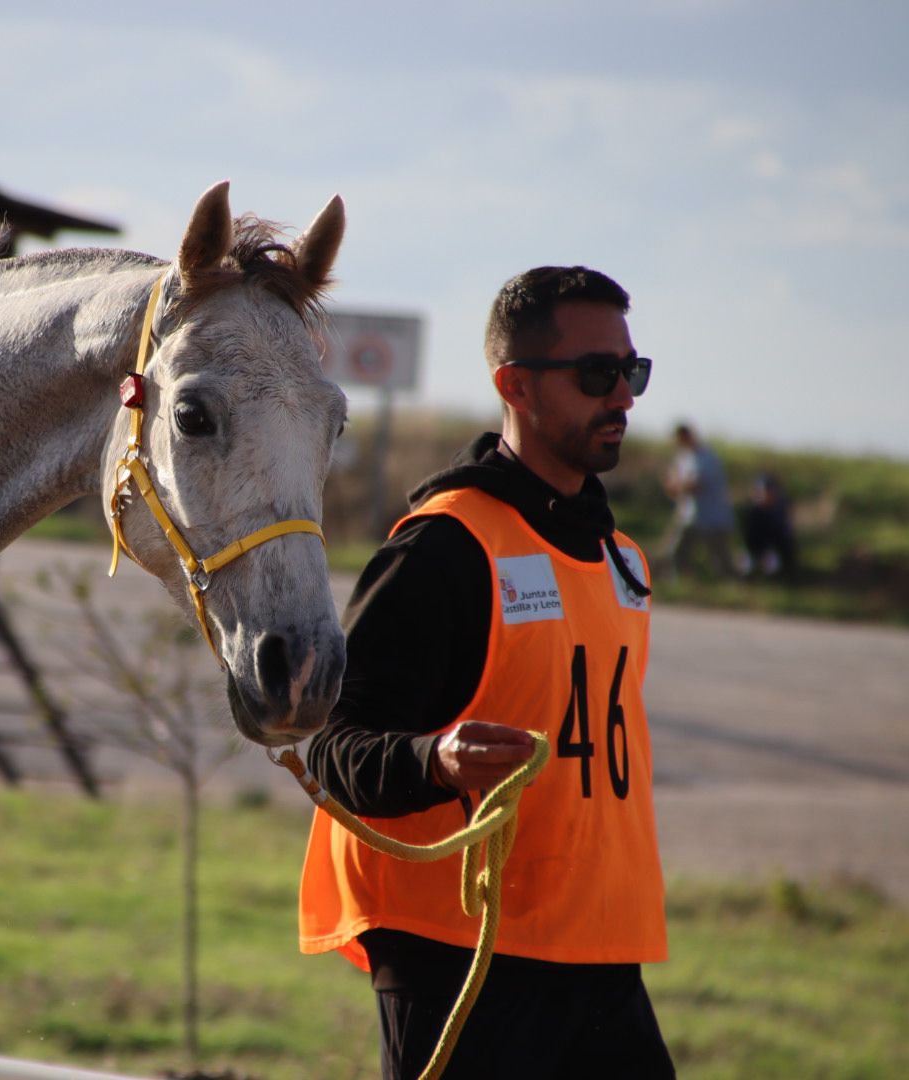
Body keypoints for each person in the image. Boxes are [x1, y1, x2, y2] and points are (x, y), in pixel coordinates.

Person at [298, 266, 673, 1079]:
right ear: (516, 386)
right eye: (597, 375)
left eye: (631, 372)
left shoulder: (622, 559)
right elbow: (333, 746)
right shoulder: (444, 547)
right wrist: (433, 761)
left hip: (598, 948)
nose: (624, 397)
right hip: (460, 957)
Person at [659, 422, 736, 579]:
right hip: (689, 517)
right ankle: (682, 583)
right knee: (677, 553)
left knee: (721, 560)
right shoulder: (683, 457)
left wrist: (678, 485)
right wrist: (677, 485)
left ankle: (731, 587)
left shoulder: (707, 457)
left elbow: (695, 485)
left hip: (713, 518)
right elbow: (672, 484)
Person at [742, 470, 797, 578]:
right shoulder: (755, 511)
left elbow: (785, 537)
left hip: (775, 550)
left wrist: (770, 550)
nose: (761, 494)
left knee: (771, 566)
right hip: (757, 549)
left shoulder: (780, 510)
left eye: (765, 491)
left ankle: (778, 575)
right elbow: (750, 537)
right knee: (745, 565)